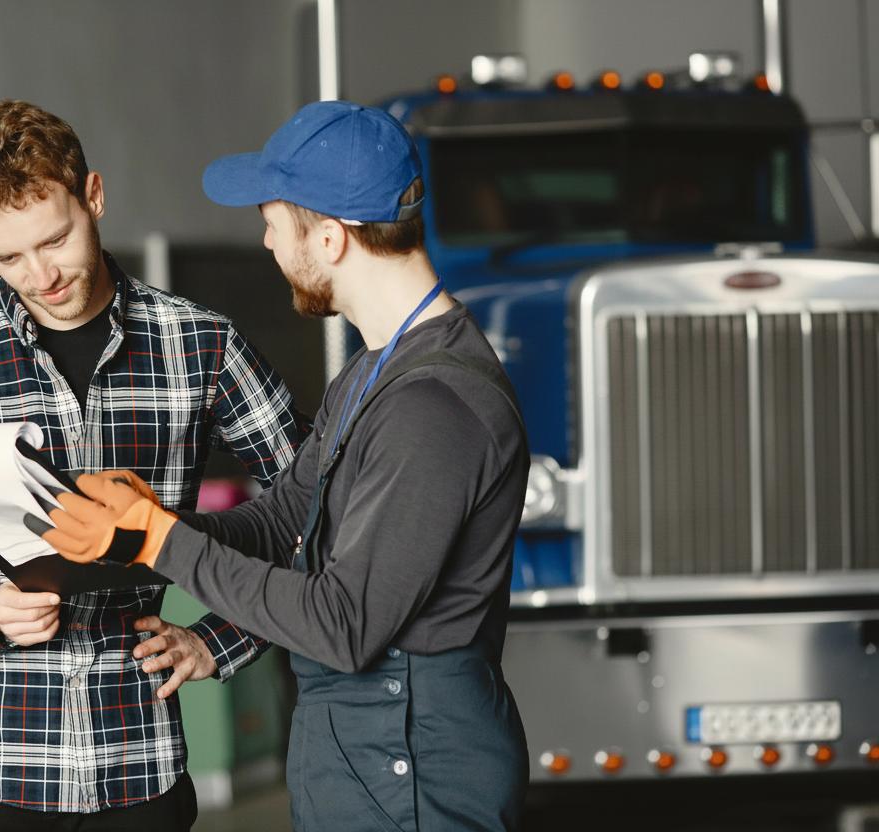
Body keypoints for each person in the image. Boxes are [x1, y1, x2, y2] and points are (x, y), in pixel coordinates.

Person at [34, 100, 531, 831]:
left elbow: (344, 623)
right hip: (368, 760)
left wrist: (161, 544)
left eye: (274, 221)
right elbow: (283, 519)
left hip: (416, 775)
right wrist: (152, 519)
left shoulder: (433, 408)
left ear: (330, 237)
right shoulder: (374, 373)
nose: (266, 242)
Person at [0, 98, 308, 831]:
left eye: (54, 239)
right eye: (6, 256)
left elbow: (313, 510)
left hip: (135, 771)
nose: (40, 276)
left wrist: (218, 642)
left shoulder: (202, 346)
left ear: (93, 196)